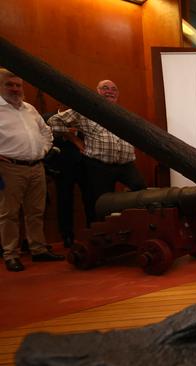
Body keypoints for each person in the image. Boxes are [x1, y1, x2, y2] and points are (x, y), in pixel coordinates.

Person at [48, 80, 146, 226]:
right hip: (99, 166)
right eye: (105, 88)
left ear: (118, 94)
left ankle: (132, 225)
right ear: (97, 92)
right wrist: (74, 140)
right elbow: (54, 121)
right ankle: (103, 236)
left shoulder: (123, 114)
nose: (110, 91)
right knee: (102, 204)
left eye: (114, 89)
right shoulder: (85, 110)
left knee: (140, 188)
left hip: (126, 164)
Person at [0, 68, 65, 272]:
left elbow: (46, 132)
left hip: (37, 167)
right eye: (9, 85)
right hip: (9, 168)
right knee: (8, 214)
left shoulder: (29, 108)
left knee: (36, 212)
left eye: (18, 85)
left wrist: (43, 150)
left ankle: (38, 250)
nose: (15, 89)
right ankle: (11, 254)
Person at [44, 106, 87, 248]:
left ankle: (91, 232)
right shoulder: (48, 118)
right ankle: (67, 236)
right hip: (62, 167)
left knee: (89, 200)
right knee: (64, 202)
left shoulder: (83, 117)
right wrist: (67, 133)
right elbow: (45, 137)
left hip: (84, 165)